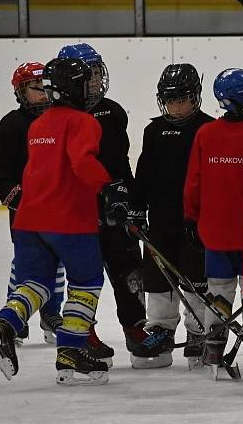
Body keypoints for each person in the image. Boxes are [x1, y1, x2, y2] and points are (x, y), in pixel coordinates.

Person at [0, 57, 120, 386]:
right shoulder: (84, 122)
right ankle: (70, 354)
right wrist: (109, 188)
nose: (91, 86)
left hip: (29, 219)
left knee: (36, 285)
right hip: (69, 219)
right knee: (86, 283)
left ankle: (5, 324)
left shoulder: (39, 124)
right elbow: (82, 163)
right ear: (74, 88)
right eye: (85, 81)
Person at [57, 43, 148, 365]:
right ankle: (84, 334)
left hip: (115, 205)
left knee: (129, 267)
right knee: (85, 274)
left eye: (97, 72)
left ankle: (135, 328)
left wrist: (129, 199)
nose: (95, 79)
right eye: (89, 74)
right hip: (79, 210)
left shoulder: (112, 111)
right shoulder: (60, 118)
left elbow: (120, 163)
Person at [183, 68, 243, 378]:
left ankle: (214, 352)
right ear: (239, 100)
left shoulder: (206, 133)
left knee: (218, 292)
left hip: (215, 232)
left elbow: (193, 182)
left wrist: (192, 218)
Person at [129, 64, 214, 369]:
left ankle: (198, 331)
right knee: (158, 278)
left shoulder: (208, 128)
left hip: (196, 221)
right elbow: (144, 173)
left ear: (196, 97)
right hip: (161, 219)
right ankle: (161, 330)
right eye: (170, 99)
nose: (176, 106)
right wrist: (136, 208)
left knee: (196, 277)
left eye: (182, 99)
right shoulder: (154, 131)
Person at [0, 62, 64, 345]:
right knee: (25, 264)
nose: (42, 94)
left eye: (46, 88)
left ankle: (51, 314)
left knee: (60, 262)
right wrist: (14, 195)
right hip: (26, 213)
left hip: (59, 209)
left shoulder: (59, 120)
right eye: (35, 89)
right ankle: (13, 316)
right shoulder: (10, 126)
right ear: (20, 91)